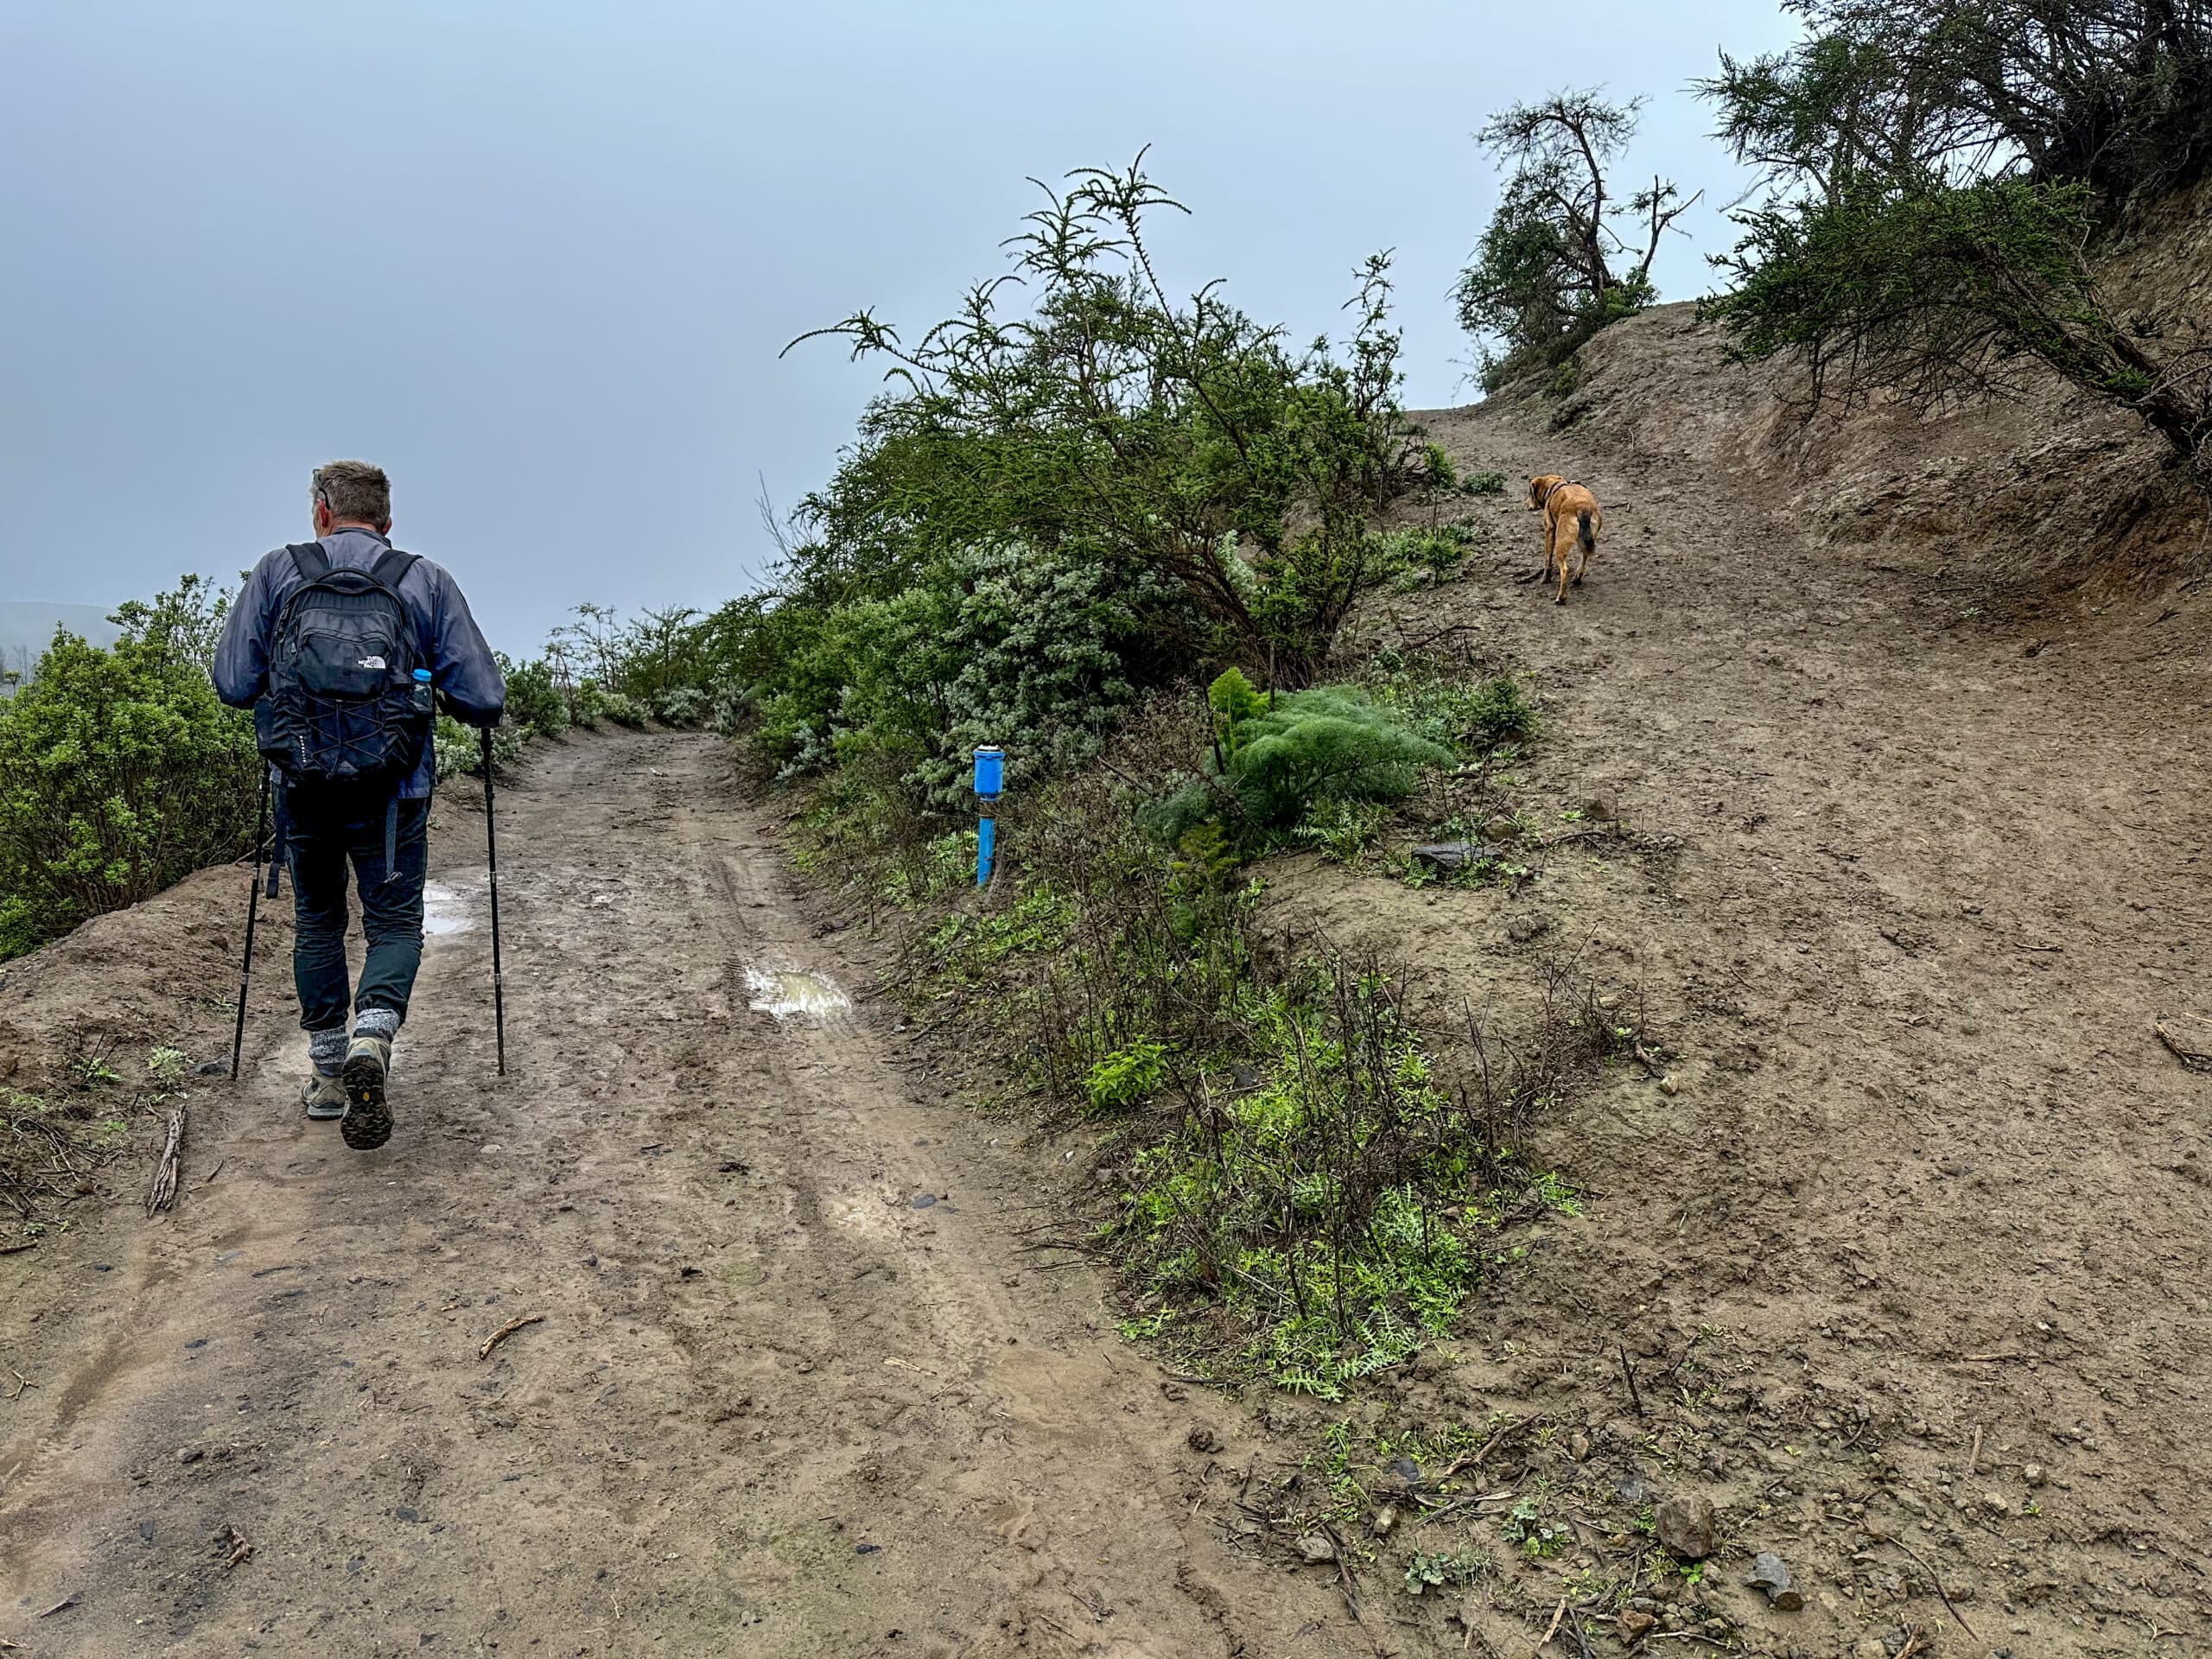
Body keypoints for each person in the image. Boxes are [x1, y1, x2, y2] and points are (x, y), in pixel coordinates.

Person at [214, 461, 505, 1148]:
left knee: (318, 922)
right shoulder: (424, 580)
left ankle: (326, 1076)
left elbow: (233, 684)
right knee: (394, 924)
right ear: (387, 521)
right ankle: (372, 1037)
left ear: (321, 511)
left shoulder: (279, 572)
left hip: (303, 787)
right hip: (394, 792)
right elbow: (484, 698)